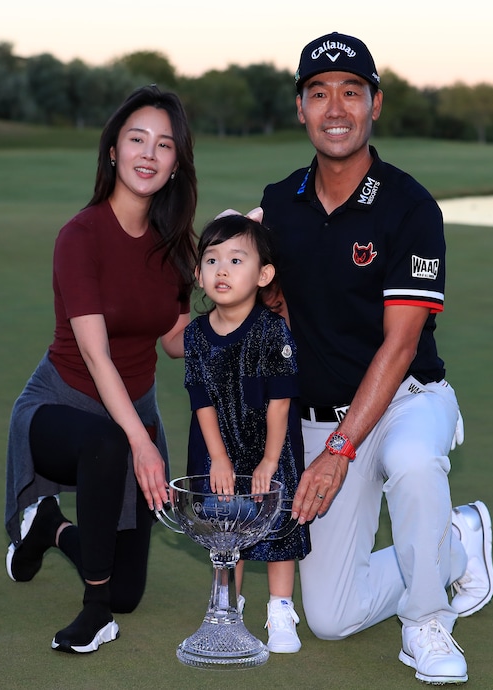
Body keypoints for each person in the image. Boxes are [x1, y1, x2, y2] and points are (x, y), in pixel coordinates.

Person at [256, 32, 493, 684]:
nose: (336, 108)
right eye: (319, 93)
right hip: (316, 415)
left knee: (414, 462)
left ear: (375, 105)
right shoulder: (280, 202)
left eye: (351, 92)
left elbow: (402, 344)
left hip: (404, 400)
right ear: (301, 108)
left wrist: (338, 454)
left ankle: (426, 623)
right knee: (332, 616)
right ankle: (452, 542)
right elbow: (229, 267)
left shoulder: (409, 206)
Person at [3, 85, 197, 654]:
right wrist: (143, 442)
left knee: (129, 591)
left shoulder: (172, 247)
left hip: (130, 413)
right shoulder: (80, 236)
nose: (148, 153)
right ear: (113, 149)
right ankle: (93, 616)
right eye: (137, 139)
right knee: (112, 444)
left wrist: (240, 300)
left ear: (175, 162)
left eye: (164, 145)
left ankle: (48, 529)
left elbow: (175, 342)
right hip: (57, 409)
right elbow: (94, 353)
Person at [183, 212, 312, 654]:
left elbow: (280, 402)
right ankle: (227, 607)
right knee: (226, 526)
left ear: (264, 274)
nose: (223, 270)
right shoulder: (196, 335)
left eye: (237, 260)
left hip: (269, 447)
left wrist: (271, 461)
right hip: (220, 445)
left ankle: (280, 609)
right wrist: (218, 458)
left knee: (276, 528)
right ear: (198, 275)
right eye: (212, 260)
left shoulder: (272, 330)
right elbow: (200, 399)